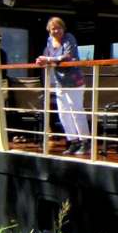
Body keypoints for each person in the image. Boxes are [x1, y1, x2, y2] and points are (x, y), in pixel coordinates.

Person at [35, 17, 89, 155]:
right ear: (49, 30)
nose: (56, 31)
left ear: (63, 29)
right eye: (53, 28)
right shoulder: (49, 41)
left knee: (76, 112)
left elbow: (68, 56)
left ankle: (85, 142)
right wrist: (41, 60)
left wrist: (48, 59)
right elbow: (47, 56)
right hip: (60, 82)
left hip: (74, 81)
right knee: (63, 113)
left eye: (58, 28)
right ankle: (73, 141)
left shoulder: (69, 38)